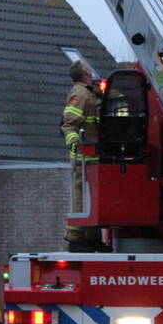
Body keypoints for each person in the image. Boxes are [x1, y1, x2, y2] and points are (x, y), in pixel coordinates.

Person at [60, 59, 102, 251]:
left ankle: (92, 237)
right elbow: (68, 124)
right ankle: (76, 237)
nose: (91, 70)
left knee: (93, 196)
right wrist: (75, 144)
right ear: (84, 71)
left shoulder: (91, 91)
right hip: (85, 156)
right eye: (88, 67)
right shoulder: (79, 93)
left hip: (96, 154)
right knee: (81, 195)